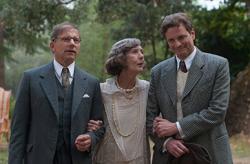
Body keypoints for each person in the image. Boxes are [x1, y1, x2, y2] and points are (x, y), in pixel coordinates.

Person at [8, 22, 105, 164]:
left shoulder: (92, 82)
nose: (72, 43)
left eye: (76, 40)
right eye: (66, 39)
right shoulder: (31, 78)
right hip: (39, 158)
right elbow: (18, 129)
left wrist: (91, 137)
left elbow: (99, 126)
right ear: (52, 45)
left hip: (77, 158)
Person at [146, 12, 233, 164]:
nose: (177, 44)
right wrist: (167, 142)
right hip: (170, 157)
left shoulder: (218, 65)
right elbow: (149, 118)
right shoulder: (157, 72)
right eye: (171, 40)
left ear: (192, 34)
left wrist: (177, 127)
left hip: (210, 152)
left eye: (181, 37)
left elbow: (217, 111)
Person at [91, 38, 150, 164]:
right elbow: (91, 123)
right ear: (120, 58)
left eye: (142, 52)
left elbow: (154, 123)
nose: (141, 56)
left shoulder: (147, 89)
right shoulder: (101, 91)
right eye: (135, 52)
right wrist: (90, 126)